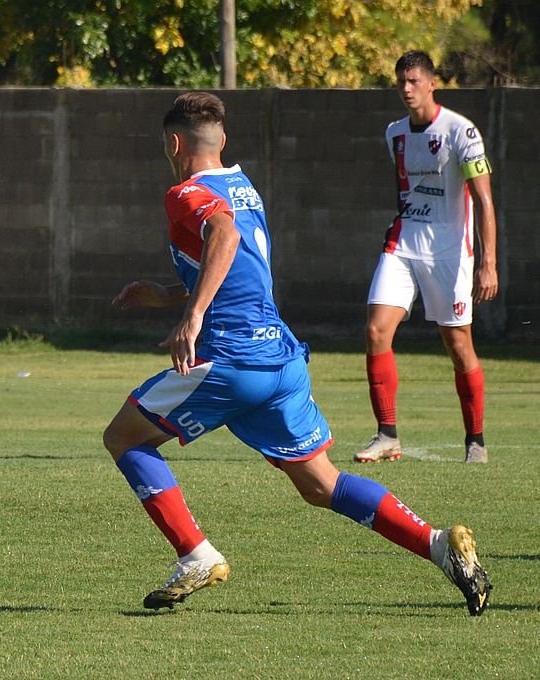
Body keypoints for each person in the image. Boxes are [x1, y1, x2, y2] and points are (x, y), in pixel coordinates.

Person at [105, 91, 491, 615]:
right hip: (281, 361)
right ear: (224, 140)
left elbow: (221, 232)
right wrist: (170, 294)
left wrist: (191, 317)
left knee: (124, 436)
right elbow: (240, 264)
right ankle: (440, 545)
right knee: (322, 484)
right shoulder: (243, 186)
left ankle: (195, 553)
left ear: (174, 143)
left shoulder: (185, 192)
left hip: (231, 359)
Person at [355, 51, 498, 465]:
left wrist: (488, 262)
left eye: (414, 81)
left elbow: (484, 201)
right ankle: (386, 434)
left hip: (450, 251)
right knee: (376, 331)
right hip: (403, 244)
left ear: (432, 83)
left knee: (458, 344)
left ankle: (475, 440)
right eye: (401, 81)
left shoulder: (462, 132)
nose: (406, 88)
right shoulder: (394, 133)